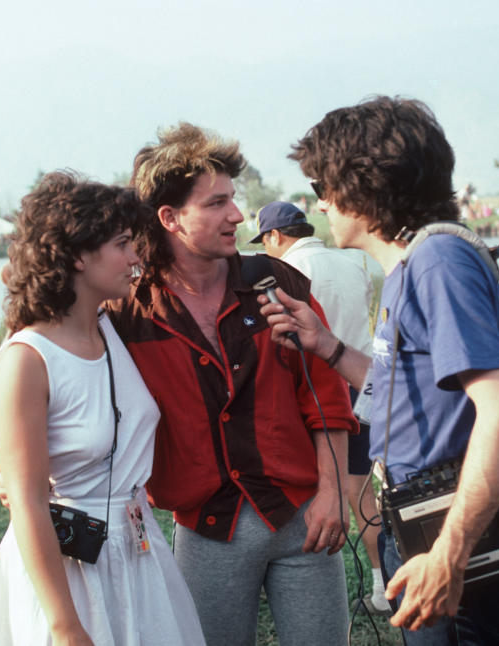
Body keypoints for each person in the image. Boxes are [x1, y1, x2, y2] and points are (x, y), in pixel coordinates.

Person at [261, 96, 499, 644]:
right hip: (422, 518)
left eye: (323, 188)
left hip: (451, 531)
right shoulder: (414, 265)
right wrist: (328, 347)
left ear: (362, 186)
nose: (322, 206)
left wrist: (446, 557)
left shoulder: (437, 262)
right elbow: (407, 387)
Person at [106, 123, 358, 646]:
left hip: (304, 519)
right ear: (170, 218)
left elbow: (326, 397)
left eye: (234, 200)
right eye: (217, 204)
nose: (238, 216)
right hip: (206, 532)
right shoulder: (126, 315)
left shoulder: (277, 284)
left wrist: (333, 494)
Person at [0, 172, 205, 645]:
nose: (136, 258)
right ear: (78, 255)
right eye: (123, 244)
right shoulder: (28, 359)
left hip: (137, 548)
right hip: (67, 569)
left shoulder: (111, 326)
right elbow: (26, 502)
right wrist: (65, 625)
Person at [249, 200, 388, 615]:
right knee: (363, 491)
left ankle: (284, 579)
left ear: (275, 236)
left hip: (315, 389)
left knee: (310, 492)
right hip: (364, 383)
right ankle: (384, 582)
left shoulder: (287, 273)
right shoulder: (357, 262)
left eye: (266, 240)